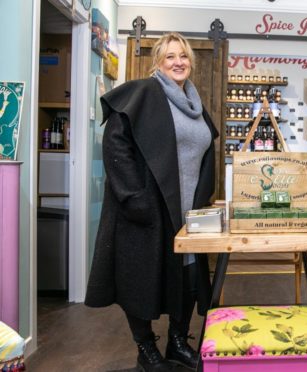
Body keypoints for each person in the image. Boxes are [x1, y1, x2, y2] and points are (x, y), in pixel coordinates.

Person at [85, 32, 218, 371]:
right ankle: (145, 348)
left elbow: (206, 153)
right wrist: (134, 198)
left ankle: (177, 341)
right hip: (147, 209)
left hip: (187, 212)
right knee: (141, 279)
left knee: (187, 278)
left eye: (183, 56)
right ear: (158, 61)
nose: (178, 62)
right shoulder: (143, 94)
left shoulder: (195, 103)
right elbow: (115, 144)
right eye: (170, 56)